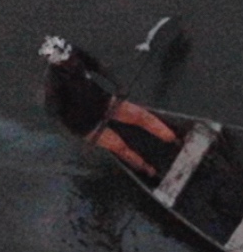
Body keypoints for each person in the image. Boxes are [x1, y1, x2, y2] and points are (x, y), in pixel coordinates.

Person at [39, 35, 181, 179]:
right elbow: (54, 114)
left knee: (140, 115)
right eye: (68, 60)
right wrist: (75, 137)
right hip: (84, 123)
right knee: (119, 147)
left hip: (101, 100)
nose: (73, 61)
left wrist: (118, 85)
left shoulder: (74, 52)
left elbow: (97, 66)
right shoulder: (53, 83)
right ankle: (149, 171)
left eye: (71, 57)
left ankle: (174, 140)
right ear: (58, 63)